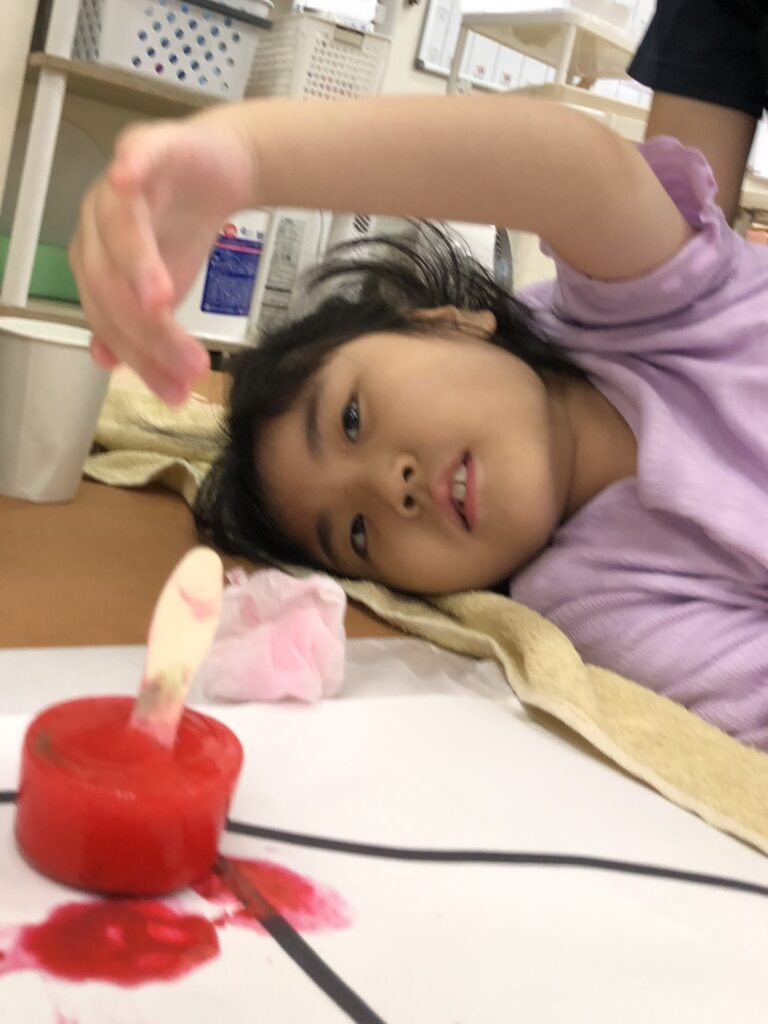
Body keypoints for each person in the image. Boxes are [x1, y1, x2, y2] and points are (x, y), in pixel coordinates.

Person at [69, 90, 768, 749]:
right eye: (358, 535)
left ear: (447, 321)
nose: (388, 488)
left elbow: (571, 170)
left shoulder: (647, 302)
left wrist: (250, 154)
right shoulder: (596, 608)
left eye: (350, 419)